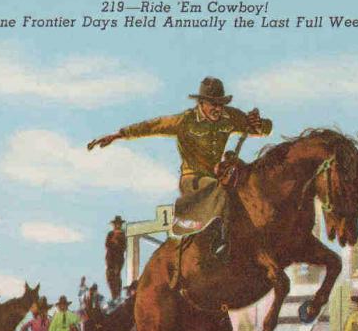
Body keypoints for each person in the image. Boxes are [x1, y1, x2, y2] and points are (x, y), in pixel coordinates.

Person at [87, 76, 273, 259]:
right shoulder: (185, 121)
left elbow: (261, 128)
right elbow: (152, 126)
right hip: (192, 179)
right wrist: (118, 135)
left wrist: (259, 125)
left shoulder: (229, 116)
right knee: (219, 190)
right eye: (213, 104)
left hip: (216, 177)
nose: (217, 108)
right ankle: (221, 240)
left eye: (220, 103)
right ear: (201, 103)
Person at [105, 215, 127, 301]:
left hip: (117, 259)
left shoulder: (122, 235)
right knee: (110, 277)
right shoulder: (110, 234)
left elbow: (123, 247)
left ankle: (117, 296)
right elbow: (107, 245)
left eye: (118, 224)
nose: (117, 225)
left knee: (116, 277)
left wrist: (116, 243)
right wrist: (113, 243)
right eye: (116, 224)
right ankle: (114, 296)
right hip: (110, 259)